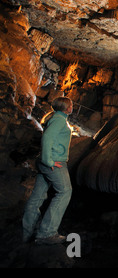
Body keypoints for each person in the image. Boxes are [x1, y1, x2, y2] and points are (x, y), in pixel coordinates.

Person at [22, 97, 73, 245]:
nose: (72, 107)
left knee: (37, 197)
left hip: (46, 162)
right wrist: (48, 161)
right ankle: (47, 233)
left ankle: (28, 233)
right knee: (64, 192)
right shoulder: (59, 120)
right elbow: (47, 139)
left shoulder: (56, 118)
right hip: (54, 162)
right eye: (71, 105)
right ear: (66, 107)